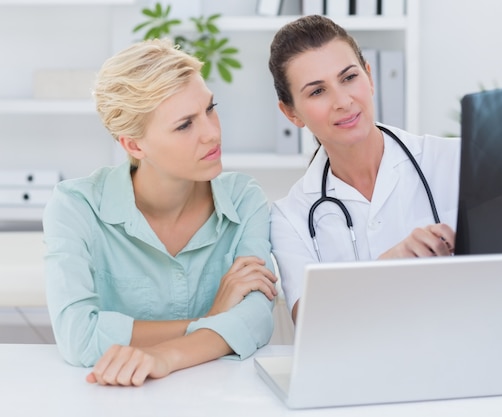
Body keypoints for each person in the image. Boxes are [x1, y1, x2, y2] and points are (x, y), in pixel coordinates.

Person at [43, 38, 278, 386]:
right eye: (185, 125)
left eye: (210, 109)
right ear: (134, 144)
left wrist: (164, 356)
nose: (212, 133)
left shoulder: (244, 199)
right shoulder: (76, 208)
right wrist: (213, 320)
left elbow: (258, 316)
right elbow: (78, 336)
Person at [268, 15, 461, 323]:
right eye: (317, 91)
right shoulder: (290, 216)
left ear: (369, 78)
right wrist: (390, 264)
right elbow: (311, 324)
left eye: (348, 78)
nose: (342, 101)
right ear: (291, 113)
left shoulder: (455, 161)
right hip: (353, 368)